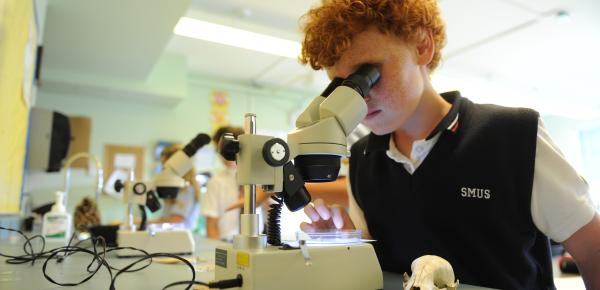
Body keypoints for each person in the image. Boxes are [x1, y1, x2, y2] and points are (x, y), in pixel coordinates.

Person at [297, 1, 600, 289]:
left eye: (367, 74)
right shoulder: (362, 159)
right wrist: (346, 244)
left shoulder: (515, 137)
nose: (358, 97)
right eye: (341, 85)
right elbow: (377, 271)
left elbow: (592, 250)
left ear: (422, 46)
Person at [201, 126, 246, 241]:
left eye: (226, 149)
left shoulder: (258, 179)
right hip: (226, 242)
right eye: (218, 150)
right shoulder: (216, 182)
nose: (222, 156)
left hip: (256, 240)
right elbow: (211, 225)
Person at [155, 144, 201, 230]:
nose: (164, 171)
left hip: (178, 236)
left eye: (165, 168)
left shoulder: (187, 189)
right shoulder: (175, 188)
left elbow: (175, 221)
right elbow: (164, 219)